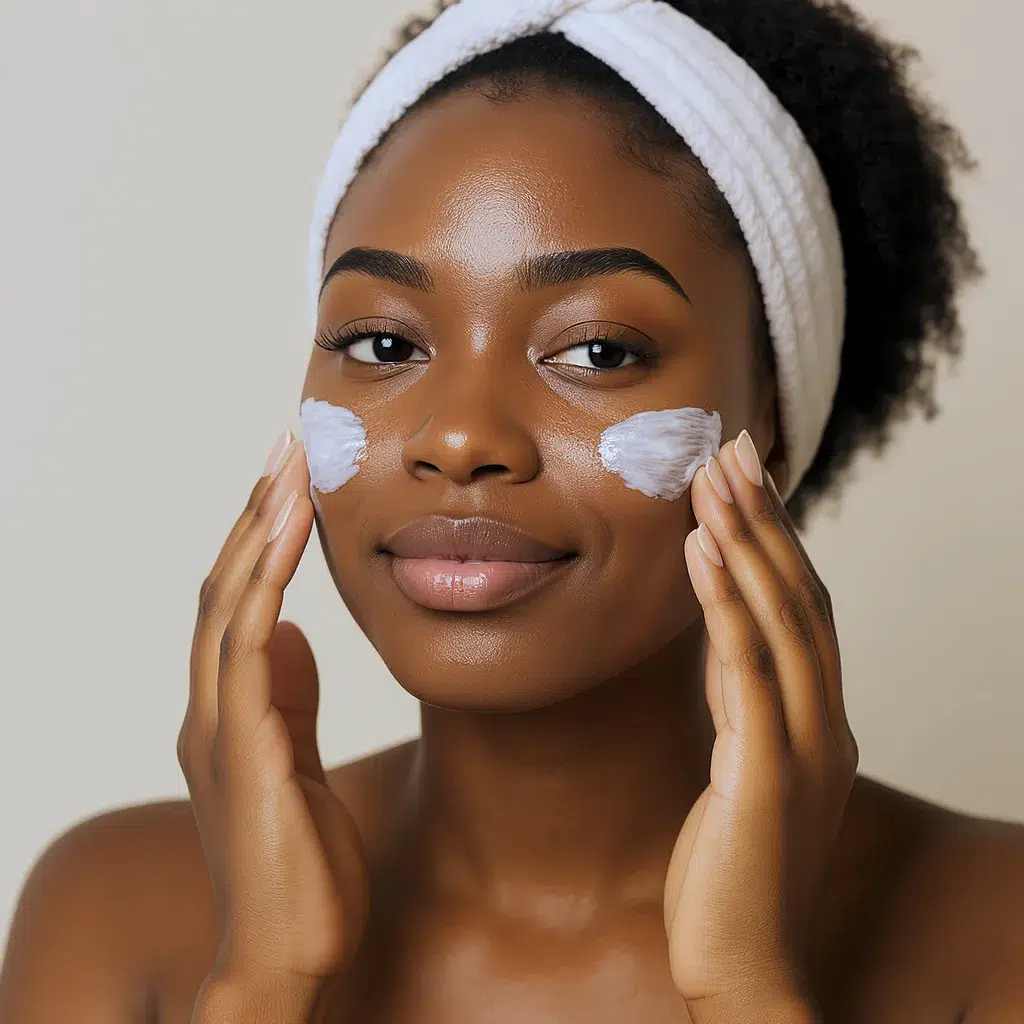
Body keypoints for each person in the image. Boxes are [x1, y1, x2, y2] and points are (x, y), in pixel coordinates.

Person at [1, 0, 1020, 1021]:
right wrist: (265, 977)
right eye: (384, 345)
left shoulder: (991, 928)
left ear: (773, 428)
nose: (457, 437)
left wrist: (746, 983)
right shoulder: (114, 911)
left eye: (598, 350)